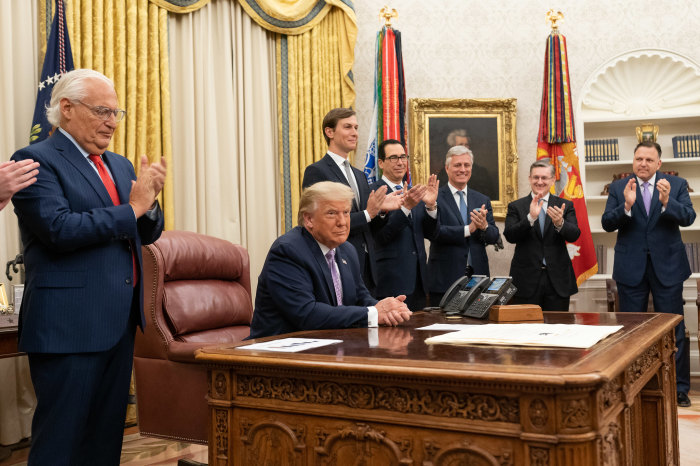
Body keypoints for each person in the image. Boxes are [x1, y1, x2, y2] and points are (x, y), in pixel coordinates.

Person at [10, 68, 166, 464]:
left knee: (103, 440)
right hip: (68, 326)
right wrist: (133, 208)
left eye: (117, 113)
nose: (112, 122)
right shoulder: (35, 160)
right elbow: (58, 229)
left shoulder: (119, 164)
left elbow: (145, 232)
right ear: (67, 109)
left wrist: (147, 206)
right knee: (60, 443)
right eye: (102, 111)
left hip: (118, 323)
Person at [250, 181, 411, 339]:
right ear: (309, 219)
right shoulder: (288, 251)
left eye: (346, 212)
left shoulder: (347, 250)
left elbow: (361, 298)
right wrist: (374, 313)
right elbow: (307, 314)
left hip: (331, 346)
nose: (342, 222)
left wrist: (389, 309)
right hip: (279, 354)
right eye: (332, 213)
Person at [602, 140, 696, 407]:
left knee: (674, 329)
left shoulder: (676, 185)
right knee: (632, 330)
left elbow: (689, 217)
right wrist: (627, 207)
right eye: (638, 159)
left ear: (659, 164)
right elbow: (607, 223)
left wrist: (668, 203)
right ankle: (634, 384)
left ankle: (679, 388)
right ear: (633, 160)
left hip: (668, 267)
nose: (642, 164)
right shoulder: (620, 188)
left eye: (648, 160)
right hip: (630, 269)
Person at [302, 108, 402, 291]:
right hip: (336, 264)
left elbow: (369, 226)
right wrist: (367, 213)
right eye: (348, 127)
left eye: (356, 128)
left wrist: (381, 211)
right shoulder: (317, 171)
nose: (354, 133)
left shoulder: (360, 175)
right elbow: (321, 223)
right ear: (329, 132)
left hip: (366, 268)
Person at [370, 139, 439, 310]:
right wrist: (406, 208)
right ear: (381, 163)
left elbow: (432, 234)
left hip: (419, 282)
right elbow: (380, 236)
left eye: (403, 157)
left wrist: (431, 207)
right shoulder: (373, 192)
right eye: (393, 158)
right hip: (390, 281)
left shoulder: (414, 191)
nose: (400, 162)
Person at [503, 160, 580, 310]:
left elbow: (574, 235)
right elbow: (510, 236)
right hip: (526, 281)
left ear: (552, 180)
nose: (539, 181)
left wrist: (560, 223)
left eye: (544, 178)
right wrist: (530, 218)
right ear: (530, 179)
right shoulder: (516, 206)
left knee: (558, 329)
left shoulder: (564, 205)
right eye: (535, 177)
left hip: (558, 281)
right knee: (527, 329)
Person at [428, 145, 499, 297]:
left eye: (467, 165)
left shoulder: (481, 199)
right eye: (457, 165)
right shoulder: (434, 197)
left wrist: (484, 226)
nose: (463, 169)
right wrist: (469, 229)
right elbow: (434, 232)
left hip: (477, 279)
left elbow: (494, 237)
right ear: (447, 168)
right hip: (444, 279)